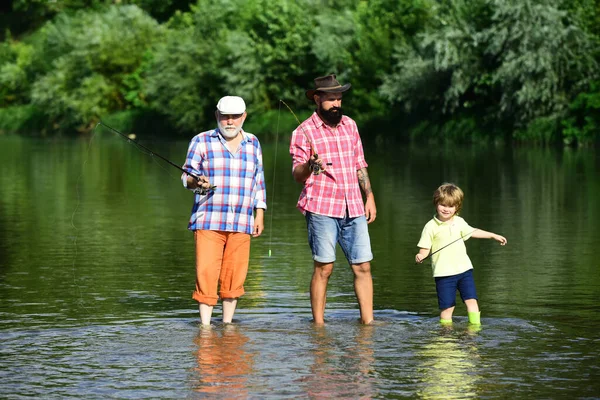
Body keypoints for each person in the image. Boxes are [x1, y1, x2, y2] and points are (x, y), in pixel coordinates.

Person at [289, 74, 377, 325]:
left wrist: (369, 196)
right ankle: (318, 326)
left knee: (363, 267)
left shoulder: (350, 125)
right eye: (330, 99)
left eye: (339, 98)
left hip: (354, 206)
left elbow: (360, 164)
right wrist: (309, 166)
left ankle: (368, 324)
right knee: (324, 268)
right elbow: (297, 174)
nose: (336, 103)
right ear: (317, 99)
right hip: (321, 206)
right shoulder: (303, 131)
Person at [182, 95, 267, 326]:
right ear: (216, 116)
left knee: (235, 275)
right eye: (225, 116)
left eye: (235, 117)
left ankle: (228, 325)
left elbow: (258, 180)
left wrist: (259, 213)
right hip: (208, 218)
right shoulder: (201, 140)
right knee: (206, 273)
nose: (230, 121)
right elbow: (186, 176)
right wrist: (195, 182)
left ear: (244, 117)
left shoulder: (253, 142)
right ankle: (206, 328)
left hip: (242, 220)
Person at [415, 183, 507, 325]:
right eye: (443, 205)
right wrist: (420, 255)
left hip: (464, 270)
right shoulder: (430, 226)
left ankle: (475, 330)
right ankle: (446, 335)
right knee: (448, 307)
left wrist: (492, 235)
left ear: (457, 207)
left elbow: (473, 231)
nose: (446, 209)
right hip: (443, 274)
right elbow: (425, 249)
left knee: (472, 301)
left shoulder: (459, 222)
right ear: (436, 203)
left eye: (450, 206)